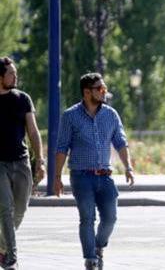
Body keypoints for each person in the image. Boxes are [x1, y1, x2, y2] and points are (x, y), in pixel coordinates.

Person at [54, 73, 135, 270]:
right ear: (87, 92)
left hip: (105, 176)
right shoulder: (70, 116)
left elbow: (121, 143)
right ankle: (90, 259)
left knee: (110, 218)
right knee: (87, 218)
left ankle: (98, 246)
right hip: (81, 177)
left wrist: (128, 167)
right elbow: (62, 147)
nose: (103, 92)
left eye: (104, 88)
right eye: (99, 89)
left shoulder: (111, 114)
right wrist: (56, 177)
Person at [0, 57, 45, 270]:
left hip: (21, 161)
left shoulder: (23, 99)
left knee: (20, 210)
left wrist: (40, 161)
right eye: (11, 73)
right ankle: (11, 258)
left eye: (15, 72)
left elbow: (33, 132)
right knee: (5, 209)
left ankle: (1, 248)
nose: (15, 76)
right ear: (0, 77)